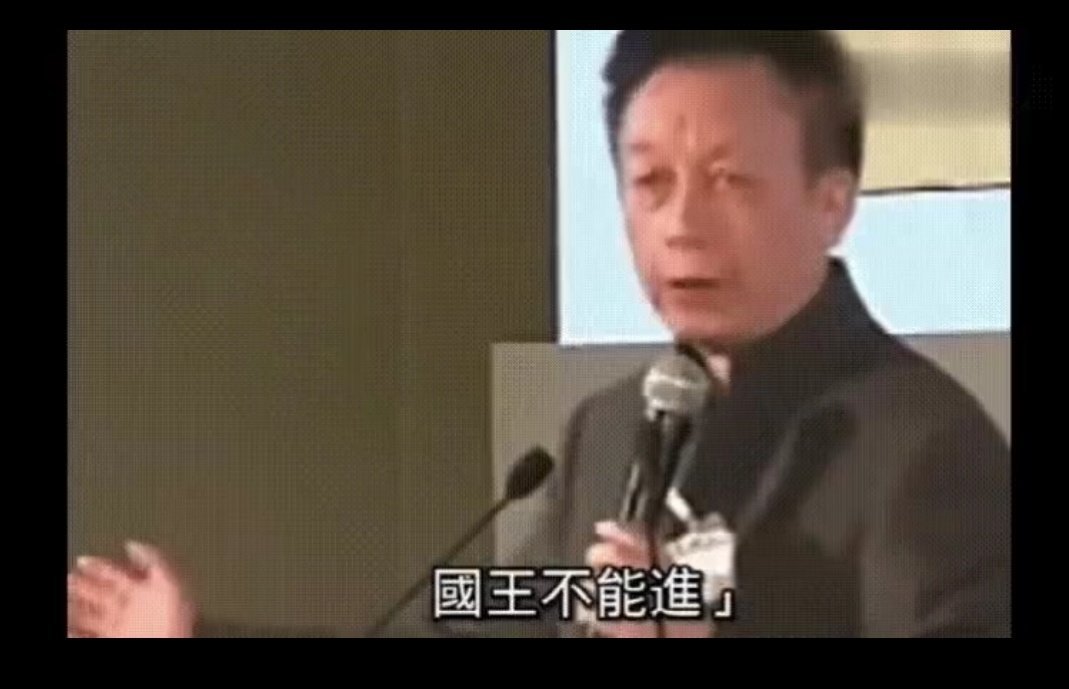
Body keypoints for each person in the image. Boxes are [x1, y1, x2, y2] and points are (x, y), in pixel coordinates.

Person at [68, 30, 1011, 638]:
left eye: (728, 180)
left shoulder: (929, 451)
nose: (681, 224)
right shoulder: (607, 432)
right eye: (649, 182)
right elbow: (481, 614)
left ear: (832, 202)